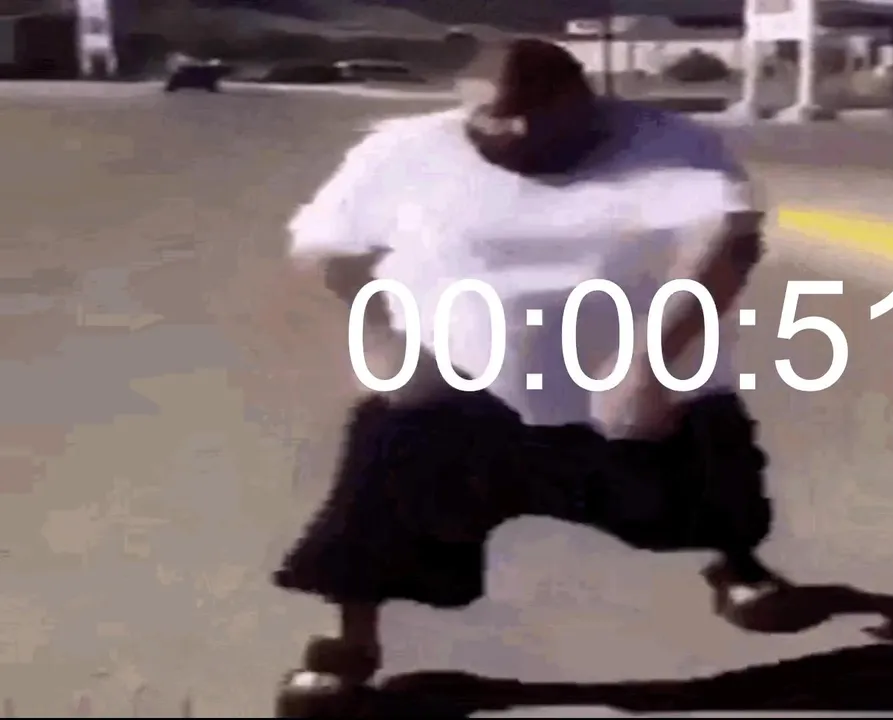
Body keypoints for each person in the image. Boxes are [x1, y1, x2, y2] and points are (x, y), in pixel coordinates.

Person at [274, 38, 791, 714]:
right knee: (384, 459)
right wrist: (388, 342)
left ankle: (738, 563)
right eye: (493, 114)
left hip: (627, 383)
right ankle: (351, 645)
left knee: (706, 475)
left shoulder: (668, 144)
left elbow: (729, 241)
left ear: (584, 100)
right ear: (464, 103)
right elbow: (328, 250)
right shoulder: (401, 150)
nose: (516, 130)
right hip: (466, 386)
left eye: (537, 112)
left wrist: (650, 361)